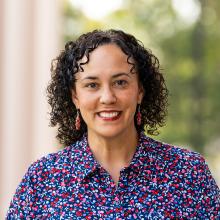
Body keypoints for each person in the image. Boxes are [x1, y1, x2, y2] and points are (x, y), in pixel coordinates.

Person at [6, 29, 219, 219]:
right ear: (75, 97)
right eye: (92, 85)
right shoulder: (42, 180)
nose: (107, 97)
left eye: (120, 82)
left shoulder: (189, 174)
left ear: (140, 91)